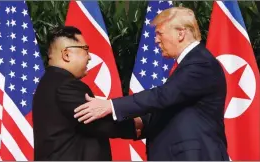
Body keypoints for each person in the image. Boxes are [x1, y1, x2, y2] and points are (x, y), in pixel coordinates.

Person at [74, 7, 229, 161]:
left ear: (181, 33)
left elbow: (163, 96)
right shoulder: (191, 63)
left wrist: (110, 105)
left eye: (159, 33)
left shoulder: (200, 63)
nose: (156, 40)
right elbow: (172, 107)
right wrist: (140, 122)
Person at [32, 26, 141, 161]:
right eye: (85, 50)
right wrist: (142, 124)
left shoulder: (49, 82)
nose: (89, 57)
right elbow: (99, 123)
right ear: (66, 54)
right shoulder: (65, 85)